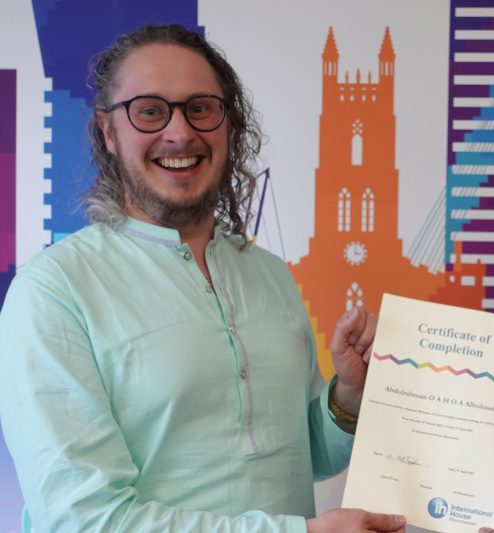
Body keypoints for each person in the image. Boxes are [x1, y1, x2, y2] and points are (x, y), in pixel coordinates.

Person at [0, 24, 405, 533]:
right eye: (149, 110)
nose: (180, 132)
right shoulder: (53, 292)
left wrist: (347, 394)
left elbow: (307, 454)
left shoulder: (270, 275)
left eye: (200, 108)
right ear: (108, 131)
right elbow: (82, 520)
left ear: (228, 124)